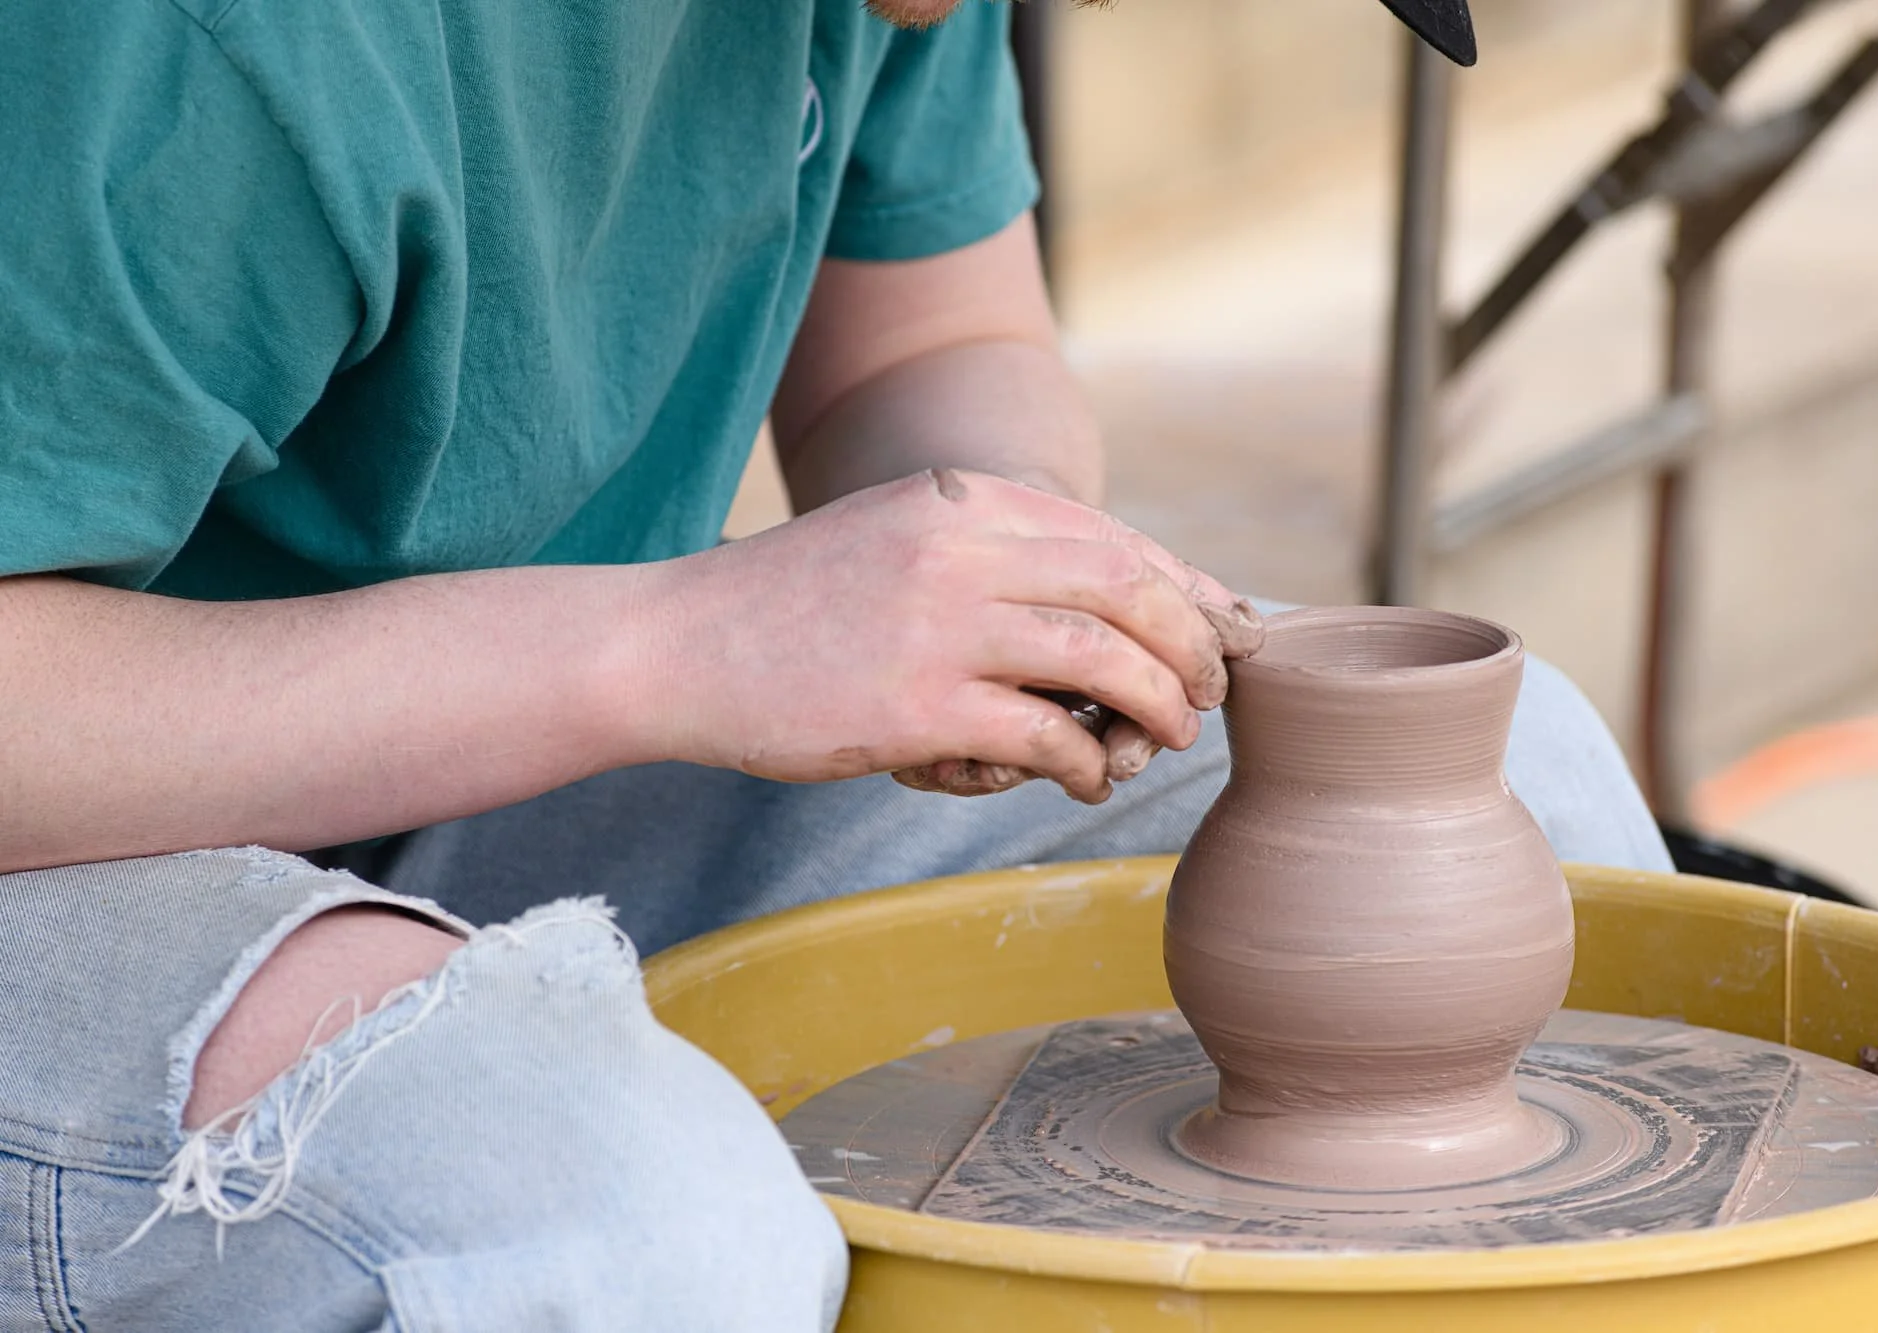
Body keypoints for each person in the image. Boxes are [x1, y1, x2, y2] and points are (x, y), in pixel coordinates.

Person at [0, 0, 1668, 1326]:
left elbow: (937, 335)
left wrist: (1007, 589)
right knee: (611, 1206)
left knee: (1513, 787)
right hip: (67, 841)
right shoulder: (215, 45)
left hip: (453, 763)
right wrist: (684, 644)